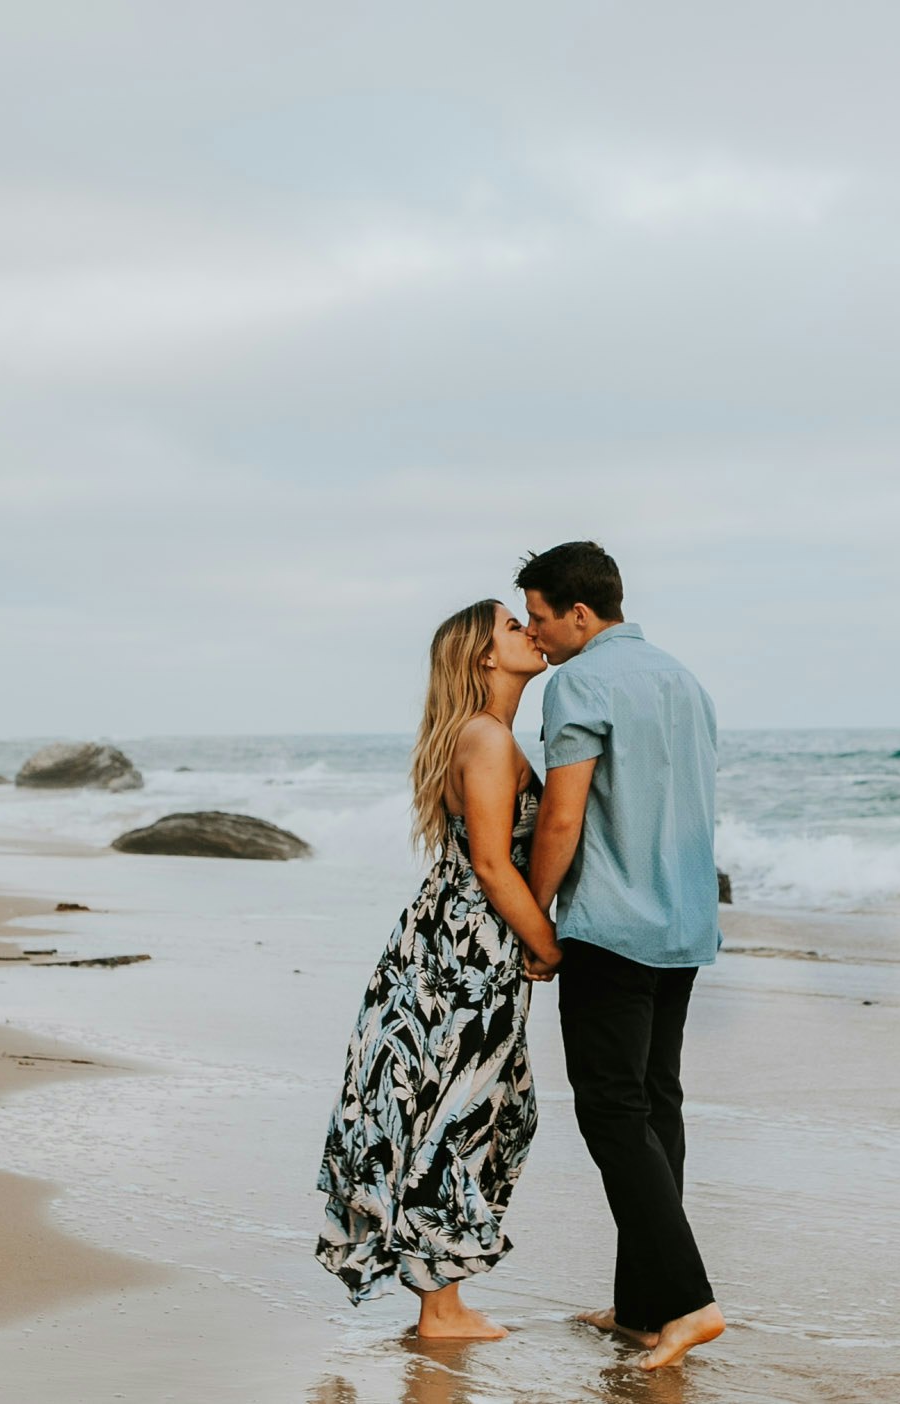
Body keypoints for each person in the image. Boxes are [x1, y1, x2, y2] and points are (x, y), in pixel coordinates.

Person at [315, 599, 565, 1338]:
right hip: (466, 949)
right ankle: (440, 1307)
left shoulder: (481, 735)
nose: (529, 631)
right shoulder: (486, 738)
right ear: (485, 657)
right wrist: (545, 944)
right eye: (512, 627)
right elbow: (491, 862)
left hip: (446, 939)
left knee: (453, 1104)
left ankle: (440, 1296)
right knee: (463, 1109)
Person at [518, 541, 729, 1371]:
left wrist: (535, 916)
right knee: (654, 1105)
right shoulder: (685, 680)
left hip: (610, 926)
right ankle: (644, 1307)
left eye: (540, 619)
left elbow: (564, 819)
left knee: (612, 1113)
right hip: (682, 925)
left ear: (581, 613)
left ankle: (688, 1301)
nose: (535, 637)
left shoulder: (581, 682)